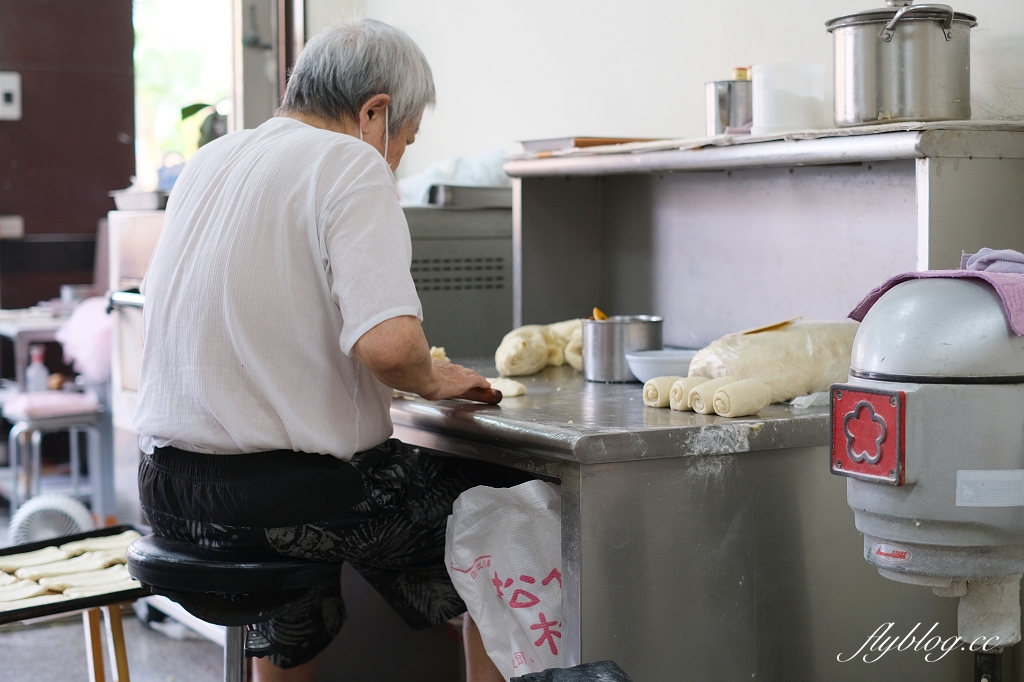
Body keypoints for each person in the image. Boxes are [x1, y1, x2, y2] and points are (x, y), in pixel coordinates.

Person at [134, 19, 519, 682]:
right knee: (500, 511)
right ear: (376, 112)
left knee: (305, 551)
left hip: (171, 492)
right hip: (280, 502)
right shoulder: (350, 162)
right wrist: (433, 379)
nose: (395, 158)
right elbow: (392, 347)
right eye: (403, 139)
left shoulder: (210, 161)